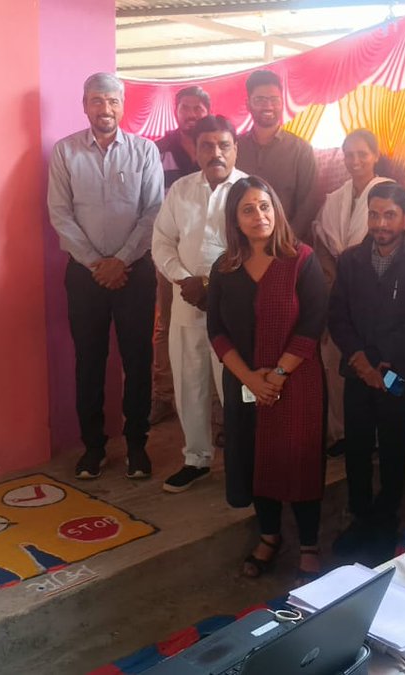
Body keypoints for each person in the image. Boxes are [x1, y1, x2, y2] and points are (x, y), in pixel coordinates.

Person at [206, 176, 328, 583]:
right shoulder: (225, 267)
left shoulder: (302, 259)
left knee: (299, 460)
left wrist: (275, 376)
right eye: (247, 209)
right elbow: (217, 330)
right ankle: (270, 535)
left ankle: (309, 543)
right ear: (235, 220)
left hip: (298, 382)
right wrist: (250, 380)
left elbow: (313, 324)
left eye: (264, 206)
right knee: (256, 459)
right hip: (244, 383)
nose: (258, 216)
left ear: (276, 210)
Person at [48, 72, 162, 480]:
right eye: (97, 100)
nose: (105, 109)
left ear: (123, 105)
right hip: (85, 276)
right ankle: (93, 449)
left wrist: (122, 261)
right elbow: (60, 214)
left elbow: (153, 212)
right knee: (89, 362)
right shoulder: (64, 153)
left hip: (136, 273)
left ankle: (136, 446)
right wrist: (97, 263)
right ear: (84, 105)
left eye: (112, 101)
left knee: (138, 359)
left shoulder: (145, 152)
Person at [329, 182, 405, 558]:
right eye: (374, 214)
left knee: (393, 444)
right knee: (356, 446)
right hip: (358, 373)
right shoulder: (349, 260)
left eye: (389, 215)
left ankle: (386, 520)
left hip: (396, 374)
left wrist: (381, 360)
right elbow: (338, 317)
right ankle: (359, 517)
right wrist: (361, 360)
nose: (380, 223)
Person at [151, 115, 246, 493]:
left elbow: (258, 246)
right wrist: (184, 279)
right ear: (196, 149)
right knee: (189, 383)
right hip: (187, 302)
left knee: (235, 388)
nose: (216, 153)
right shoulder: (181, 191)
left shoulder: (250, 191)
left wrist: (215, 286)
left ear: (235, 148)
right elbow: (161, 241)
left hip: (234, 309)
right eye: (207, 145)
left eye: (224, 145)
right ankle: (196, 458)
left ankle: (243, 462)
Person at [314, 129, 395, 456]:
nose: (355, 160)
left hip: (378, 290)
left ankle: (380, 435)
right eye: (349, 154)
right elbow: (320, 238)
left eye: (362, 153)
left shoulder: (390, 193)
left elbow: (399, 240)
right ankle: (343, 432)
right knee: (337, 361)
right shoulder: (335, 198)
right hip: (339, 287)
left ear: (375, 155)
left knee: (381, 363)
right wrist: (332, 272)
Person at [150, 86, 212, 426]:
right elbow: (149, 200)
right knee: (166, 321)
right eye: (185, 108)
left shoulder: (216, 147)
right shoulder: (160, 150)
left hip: (211, 252)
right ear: (176, 112)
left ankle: (212, 396)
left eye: (198, 108)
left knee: (213, 320)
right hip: (169, 250)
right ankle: (163, 394)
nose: (192, 114)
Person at [236, 70, 319, 244]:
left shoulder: (301, 150)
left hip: (287, 245)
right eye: (260, 99)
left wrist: (284, 241)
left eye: (274, 99)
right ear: (248, 103)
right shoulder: (235, 148)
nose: (268, 106)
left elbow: (309, 204)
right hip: (240, 245)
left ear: (282, 103)